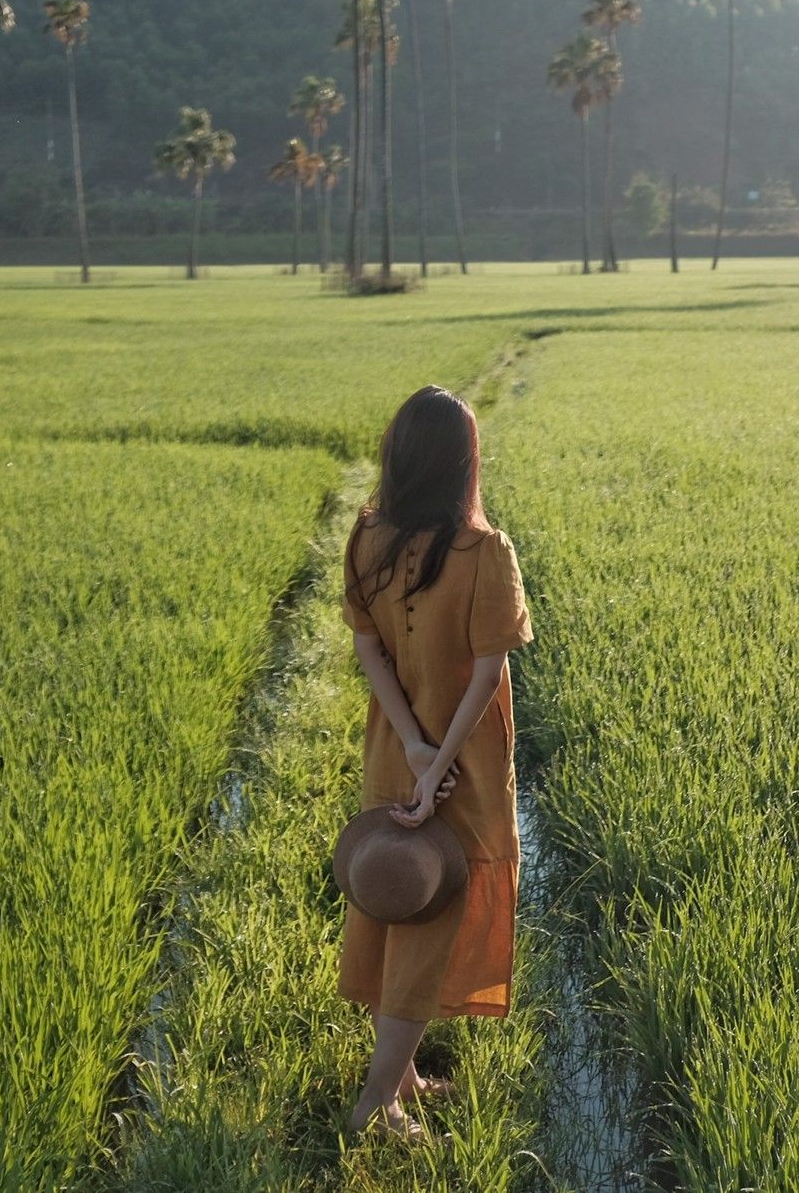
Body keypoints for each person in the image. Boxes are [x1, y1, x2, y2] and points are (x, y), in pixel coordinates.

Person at [339, 384, 534, 1139]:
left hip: (397, 746)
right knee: (429, 924)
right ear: (462, 463)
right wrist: (441, 760)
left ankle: (405, 1077)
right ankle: (376, 1104)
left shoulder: (367, 538)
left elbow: (369, 651)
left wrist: (415, 749)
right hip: (465, 765)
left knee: (398, 902)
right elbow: (487, 675)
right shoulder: (484, 552)